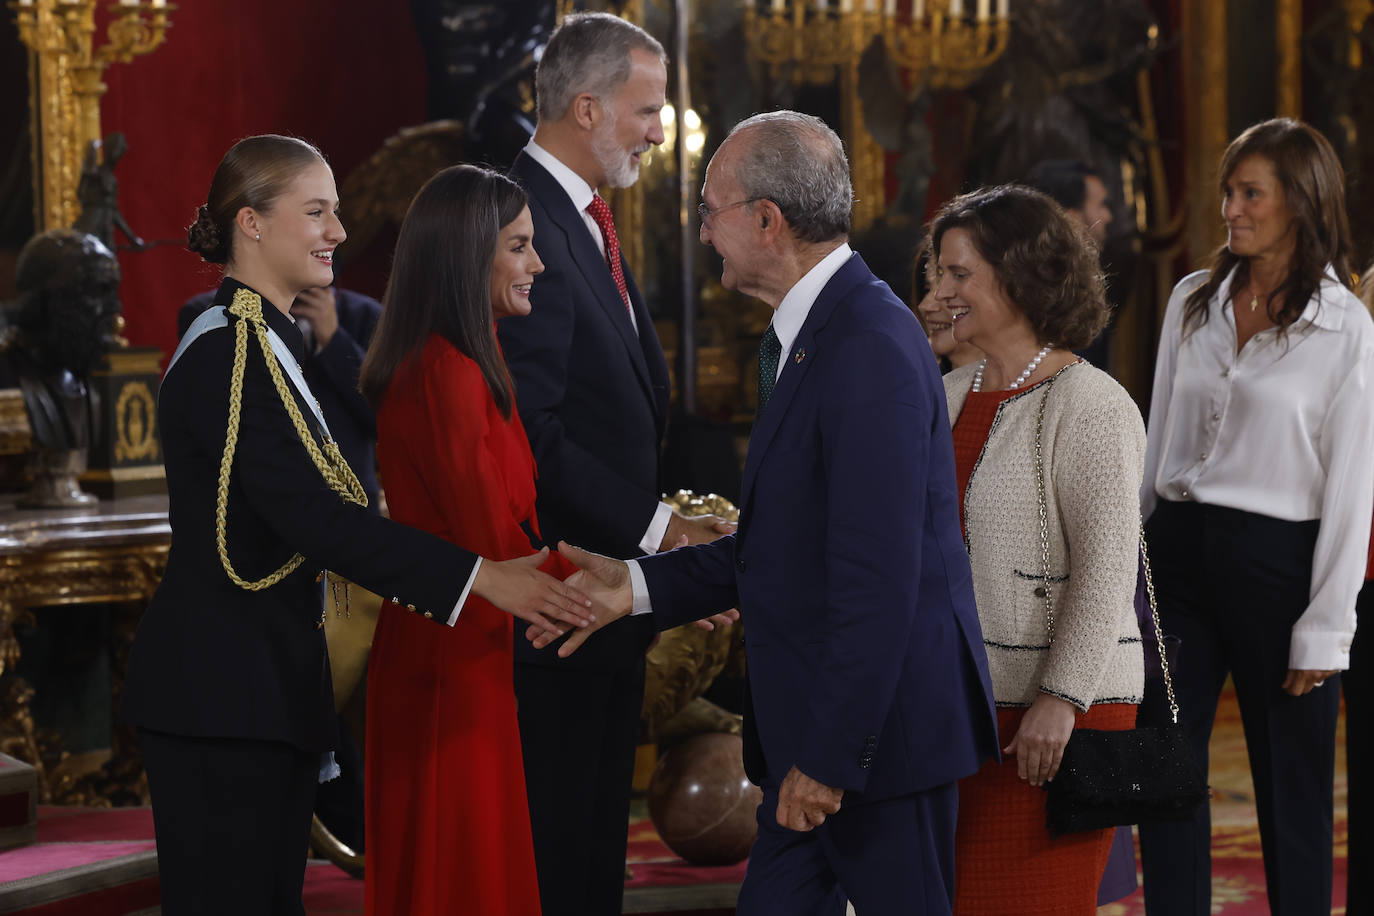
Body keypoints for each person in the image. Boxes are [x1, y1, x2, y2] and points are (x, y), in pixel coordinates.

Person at [120, 134, 595, 916]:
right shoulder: (228, 352)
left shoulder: (275, 340)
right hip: (222, 696)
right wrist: (481, 576)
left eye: (336, 212)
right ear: (251, 224)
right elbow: (320, 521)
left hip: (261, 690)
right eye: (316, 212)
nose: (339, 232)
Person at [542, 110, 999, 916]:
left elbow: (878, 579)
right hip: (821, 741)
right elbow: (778, 547)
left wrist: (828, 759)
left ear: (766, 220)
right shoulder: (816, 333)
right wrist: (632, 590)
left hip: (874, 748)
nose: (703, 233)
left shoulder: (867, 344)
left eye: (709, 211)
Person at [498, 14, 731, 914]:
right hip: (555, 591)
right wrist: (663, 530)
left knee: (596, 843)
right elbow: (534, 432)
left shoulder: (582, 216)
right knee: (561, 848)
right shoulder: (517, 216)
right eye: (647, 108)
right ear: (587, 106)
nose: (660, 129)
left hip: (608, 591)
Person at [1137, 118, 1374, 916]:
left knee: (1292, 784)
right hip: (1176, 553)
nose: (1230, 210)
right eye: (1228, 192)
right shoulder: (1191, 302)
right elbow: (1156, 440)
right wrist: (1127, 577)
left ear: (1300, 203)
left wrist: (1327, 626)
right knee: (1165, 764)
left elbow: (1351, 487)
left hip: (1279, 564)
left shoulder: (1347, 330)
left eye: (1250, 194)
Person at [356, 164, 572, 915]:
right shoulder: (447, 373)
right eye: (519, 246)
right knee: (460, 874)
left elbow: (509, 536)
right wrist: (641, 583)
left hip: (464, 646)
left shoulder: (460, 363)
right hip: (449, 659)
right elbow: (497, 547)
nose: (537, 264)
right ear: (467, 254)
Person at [926, 184, 1145, 914]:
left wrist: (1061, 698)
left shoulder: (1092, 404)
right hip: (964, 711)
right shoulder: (950, 393)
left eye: (959, 275)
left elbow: (1108, 568)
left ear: (1020, 277)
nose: (940, 292)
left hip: (1057, 718)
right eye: (938, 274)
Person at [179, 283, 384, 510]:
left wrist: (334, 340)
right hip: (254, 501)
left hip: (348, 499)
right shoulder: (212, 313)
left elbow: (380, 419)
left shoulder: (364, 314)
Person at [912, 240, 981, 373]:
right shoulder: (913, 385)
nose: (925, 306)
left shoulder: (1029, 384)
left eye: (959, 277)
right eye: (926, 289)